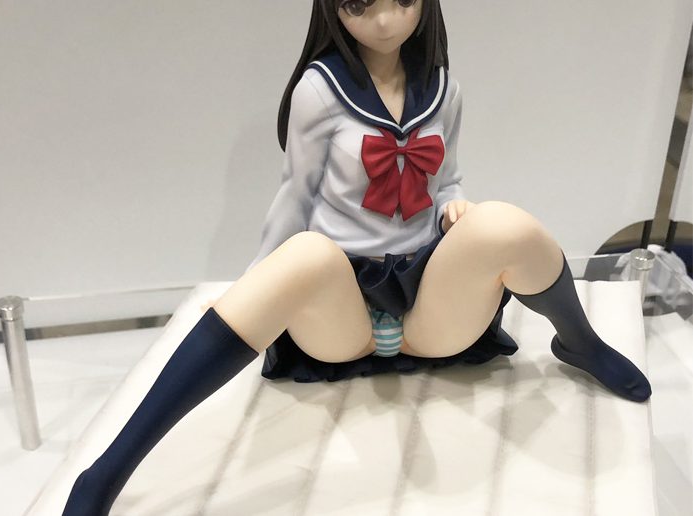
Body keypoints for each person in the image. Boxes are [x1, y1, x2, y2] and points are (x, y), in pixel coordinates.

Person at [62, 1, 651, 513]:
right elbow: (296, 194)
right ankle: (108, 472)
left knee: (504, 222)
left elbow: (448, 177)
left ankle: (579, 342)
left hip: (427, 303)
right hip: (339, 309)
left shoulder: (443, 88)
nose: (386, 21)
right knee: (307, 254)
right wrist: (256, 283)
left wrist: (454, 204)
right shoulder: (320, 91)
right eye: (361, 3)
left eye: (403, 0)